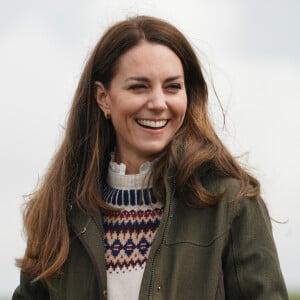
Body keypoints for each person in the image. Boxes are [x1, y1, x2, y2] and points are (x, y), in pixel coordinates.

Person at [13, 15, 288, 300]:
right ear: (103, 97)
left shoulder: (232, 202)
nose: (158, 103)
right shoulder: (61, 210)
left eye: (172, 87)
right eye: (139, 87)